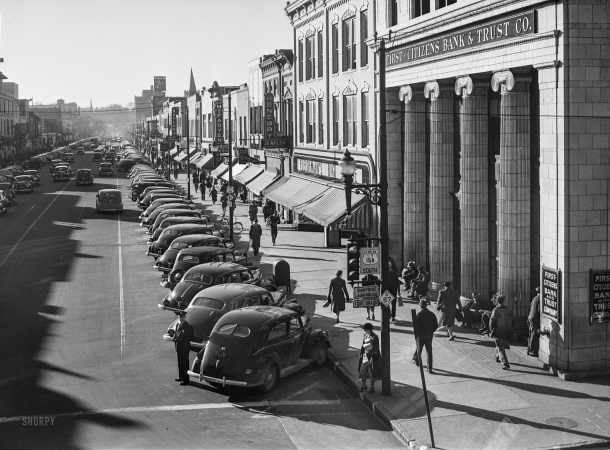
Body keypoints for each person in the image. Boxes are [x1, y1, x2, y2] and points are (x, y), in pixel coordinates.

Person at [412, 297, 439, 374]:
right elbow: (436, 325)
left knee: (419, 348)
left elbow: (415, 326)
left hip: (421, 335)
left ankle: (417, 361)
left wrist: (417, 335)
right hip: (429, 335)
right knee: (429, 351)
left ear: (420, 306)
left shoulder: (418, 315)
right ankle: (429, 368)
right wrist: (431, 331)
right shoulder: (432, 314)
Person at [490, 294, 513, 370]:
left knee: (500, 347)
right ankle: (496, 357)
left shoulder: (495, 310)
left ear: (497, 301)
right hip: (506, 330)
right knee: (501, 344)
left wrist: (491, 329)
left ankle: (505, 363)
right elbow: (512, 320)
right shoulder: (508, 309)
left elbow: (492, 321)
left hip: (498, 330)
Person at [358, 323, 382, 394]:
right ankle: (364, 386)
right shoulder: (365, 335)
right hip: (365, 357)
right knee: (363, 372)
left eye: (365, 329)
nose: (364, 330)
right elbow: (363, 346)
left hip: (372, 358)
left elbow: (376, 348)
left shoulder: (375, 337)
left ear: (369, 329)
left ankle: (372, 387)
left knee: (372, 373)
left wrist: (369, 351)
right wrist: (361, 354)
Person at [174, 312, 194, 385]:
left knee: (184, 363)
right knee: (180, 362)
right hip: (179, 346)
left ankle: (186, 379)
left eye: (182, 317)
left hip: (184, 347)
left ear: (185, 317)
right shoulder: (178, 324)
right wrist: (175, 337)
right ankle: (181, 377)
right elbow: (176, 334)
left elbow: (191, 336)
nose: (181, 319)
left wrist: (182, 339)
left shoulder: (187, 326)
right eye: (180, 317)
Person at [527, 287, 541, 357]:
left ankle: (529, 348)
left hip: (530, 316)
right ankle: (532, 350)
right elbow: (539, 310)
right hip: (535, 318)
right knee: (534, 333)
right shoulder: (540, 299)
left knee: (531, 332)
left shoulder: (535, 298)